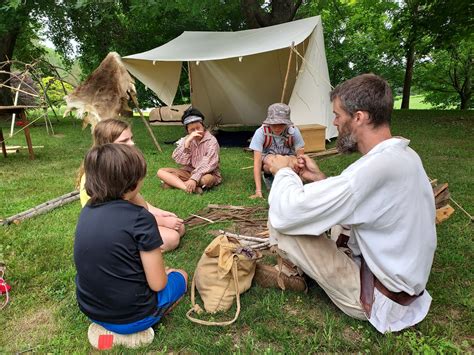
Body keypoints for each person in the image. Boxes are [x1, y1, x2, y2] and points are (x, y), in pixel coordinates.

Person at [265, 74, 437, 333]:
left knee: (281, 222)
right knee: (330, 218)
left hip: (379, 300)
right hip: (400, 286)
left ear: (359, 117)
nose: (334, 123)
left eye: (337, 115)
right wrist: (320, 179)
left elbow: (287, 212)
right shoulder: (404, 155)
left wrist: (283, 171)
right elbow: (364, 201)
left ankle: (294, 272)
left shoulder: (373, 169)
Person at [74, 144, 187, 349]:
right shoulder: (141, 220)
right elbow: (158, 284)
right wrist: (166, 273)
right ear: (134, 184)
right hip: (134, 315)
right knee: (180, 276)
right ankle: (131, 332)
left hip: (91, 307)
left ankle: (107, 334)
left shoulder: (88, 210)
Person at [78, 119, 184, 252]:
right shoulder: (100, 177)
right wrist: (162, 222)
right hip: (114, 229)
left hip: (130, 219)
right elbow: (120, 217)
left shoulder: (121, 167)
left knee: (179, 227)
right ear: (107, 144)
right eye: (124, 141)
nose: (132, 143)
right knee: (172, 238)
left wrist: (161, 213)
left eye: (131, 138)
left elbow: (136, 199)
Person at [157, 107, 222, 194]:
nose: (196, 132)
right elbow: (179, 160)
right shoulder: (187, 139)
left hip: (207, 173)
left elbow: (208, 164)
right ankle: (188, 188)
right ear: (187, 131)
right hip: (188, 171)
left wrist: (194, 179)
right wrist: (186, 144)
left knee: (206, 180)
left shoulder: (211, 141)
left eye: (198, 128)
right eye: (192, 130)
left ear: (203, 126)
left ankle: (176, 183)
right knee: (161, 172)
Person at [248, 103, 305, 199]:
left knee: (295, 163)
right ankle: (270, 178)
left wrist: (300, 175)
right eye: (274, 124)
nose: (277, 128)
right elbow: (257, 163)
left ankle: (291, 184)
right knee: (272, 162)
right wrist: (258, 191)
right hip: (269, 159)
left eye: (281, 124)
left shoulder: (294, 131)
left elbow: (300, 158)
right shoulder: (261, 132)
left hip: (288, 158)